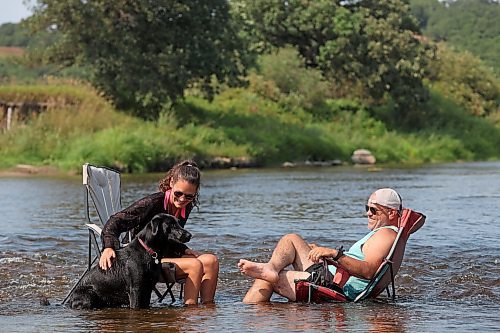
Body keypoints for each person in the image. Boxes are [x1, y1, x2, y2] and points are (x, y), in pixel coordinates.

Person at [237, 188, 403, 303]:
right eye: (367, 208)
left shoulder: (385, 235)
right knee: (292, 239)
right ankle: (270, 268)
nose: (368, 213)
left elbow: (367, 271)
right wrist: (324, 252)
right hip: (333, 275)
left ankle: (248, 320)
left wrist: (334, 254)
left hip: (335, 286)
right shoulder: (385, 233)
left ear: (392, 212)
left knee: (265, 280)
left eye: (374, 210)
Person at [99, 160, 219, 305]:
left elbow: (168, 237)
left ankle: (207, 310)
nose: (183, 199)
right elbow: (115, 221)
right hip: (144, 260)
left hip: (165, 253)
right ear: (171, 183)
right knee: (195, 265)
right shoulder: (152, 203)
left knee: (211, 261)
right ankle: (190, 315)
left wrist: (184, 249)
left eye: (189, 196)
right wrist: (108, 246)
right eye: (179, 193)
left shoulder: (186, 205)